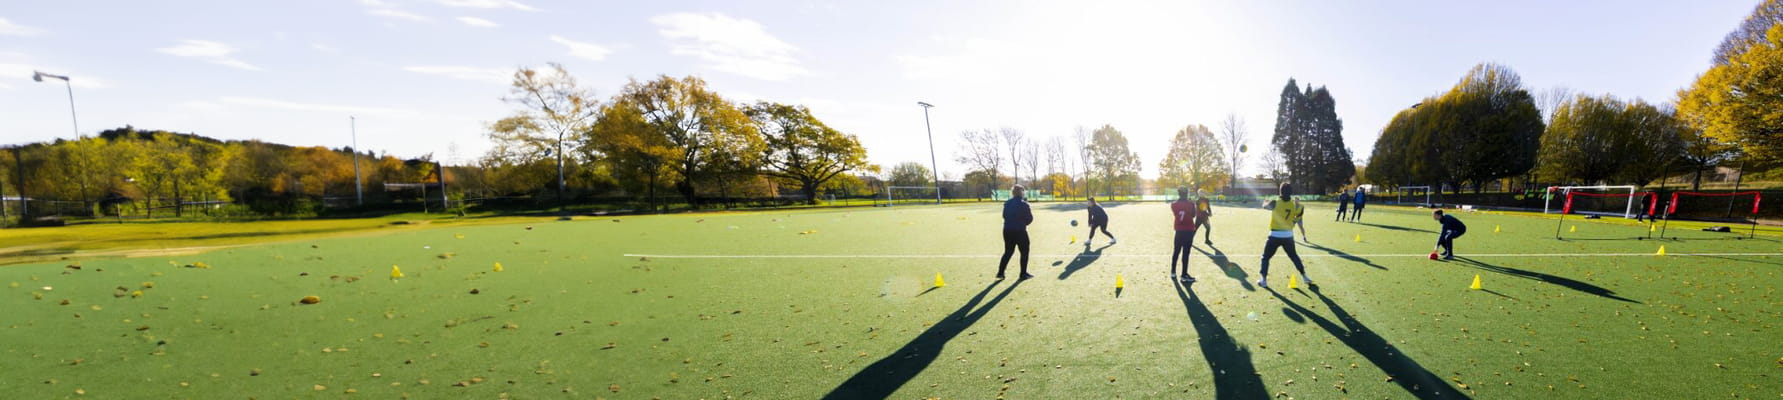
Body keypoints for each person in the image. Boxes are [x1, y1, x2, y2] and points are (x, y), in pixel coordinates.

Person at [1257, 183, 1308, 288]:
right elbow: (1299, 214)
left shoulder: (1275, 202)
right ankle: (1304, 276)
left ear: (1280, 191)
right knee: (1294, 256)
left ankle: (1264, 280)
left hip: (1275, 235)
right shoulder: (1294, 204)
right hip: (1288, 236)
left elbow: (1264, 206)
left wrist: (1266, 201)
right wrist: (1293, 222)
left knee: (1265, 257)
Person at [998, 185, 1035, 280]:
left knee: (1008, 251)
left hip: (1007, 230)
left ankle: (1000, 272)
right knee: (1024, 252)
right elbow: (1030, 219)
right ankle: (1023, 274)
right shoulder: (1024, 204)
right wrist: (1022, 224)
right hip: (1020, 231)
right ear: (1022, 192)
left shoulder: (1007, 203)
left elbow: (1004, 216)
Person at [1169, 187, 1201, 283]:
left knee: (1176, 251)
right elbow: (1193, 215)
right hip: (1188, 230)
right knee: (1186, 253)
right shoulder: (1191, 204)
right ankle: (1184, 275)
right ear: (1186, 193)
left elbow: (1176, 214)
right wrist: (1192, 205)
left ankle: (1173, 271)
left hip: (1178, 230)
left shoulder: (1173, 204)